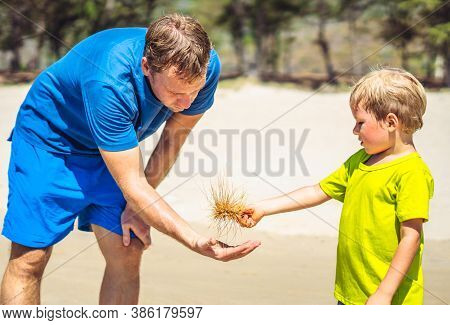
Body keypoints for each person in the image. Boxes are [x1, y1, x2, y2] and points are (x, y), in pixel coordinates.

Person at [0, 14, 260, 305]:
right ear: (146, 67)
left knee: (128, 248)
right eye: (176, 92)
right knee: (30, 258)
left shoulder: (205, 66)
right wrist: (194, 239)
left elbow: (173, 139)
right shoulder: (109, 81)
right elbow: (133, 184)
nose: (186, 103)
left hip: (113, 151)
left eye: (194, 91)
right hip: (51, 143)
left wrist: (138, 209)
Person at [238, 68, 433, 305]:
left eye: (360, 122)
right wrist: (264, 208)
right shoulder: (360, 160)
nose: (354, 130)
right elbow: (317, 191)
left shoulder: (411, 172)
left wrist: (384, 293)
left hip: (390, 301)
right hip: (352, 293)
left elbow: (411, 237)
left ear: (391, 122)